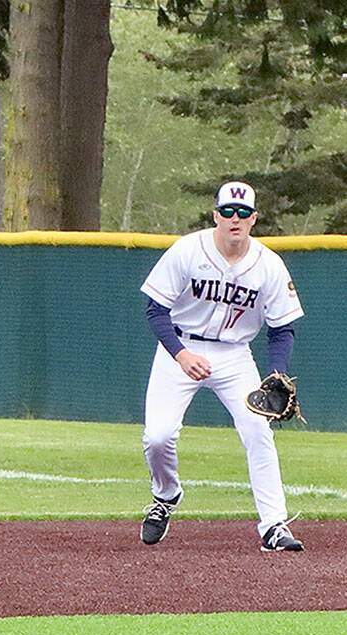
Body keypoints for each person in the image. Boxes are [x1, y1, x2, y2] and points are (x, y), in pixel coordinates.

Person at [138, 181, 305, 551]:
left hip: (234, 355)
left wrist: (275, 375)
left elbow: (283, 329)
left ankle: (274, 525)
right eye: (228, 211)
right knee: (159, 436)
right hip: (180, 348)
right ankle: (166, 495)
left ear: (254, 219)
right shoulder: (187, 250)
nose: (235, 218)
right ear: (215, 215)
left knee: (258, 432)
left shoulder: (269, 266)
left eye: (243, 213)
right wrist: (181, 354)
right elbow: (156, 310)